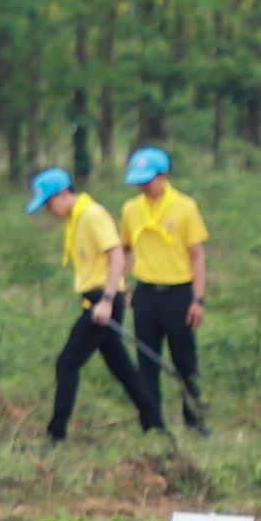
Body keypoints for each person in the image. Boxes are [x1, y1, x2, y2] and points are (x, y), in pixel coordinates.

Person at [25, 167, 164, 442]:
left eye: (48, 204)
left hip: (102, 301)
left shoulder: (92, 215)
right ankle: (156, 425)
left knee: (66, 364)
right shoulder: (76, 219)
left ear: (63, 195)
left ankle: (56, 435)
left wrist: (110, 300)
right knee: (123, 369)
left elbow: (117, 256)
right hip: (95, 300)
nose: (48, 211)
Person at [119, 147, 211, 435]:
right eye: (139, 180)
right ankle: (152, 424)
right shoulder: (130, 210)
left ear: (164, 176)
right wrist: (123, 287)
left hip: (179, 295)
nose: (143, 185)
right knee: (146, 362)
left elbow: (197, 255)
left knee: (185, 361)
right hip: (145, 295)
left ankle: (194, 420)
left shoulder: (185, 207)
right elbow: (125, 249)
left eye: (148, 179)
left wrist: (198, 299)